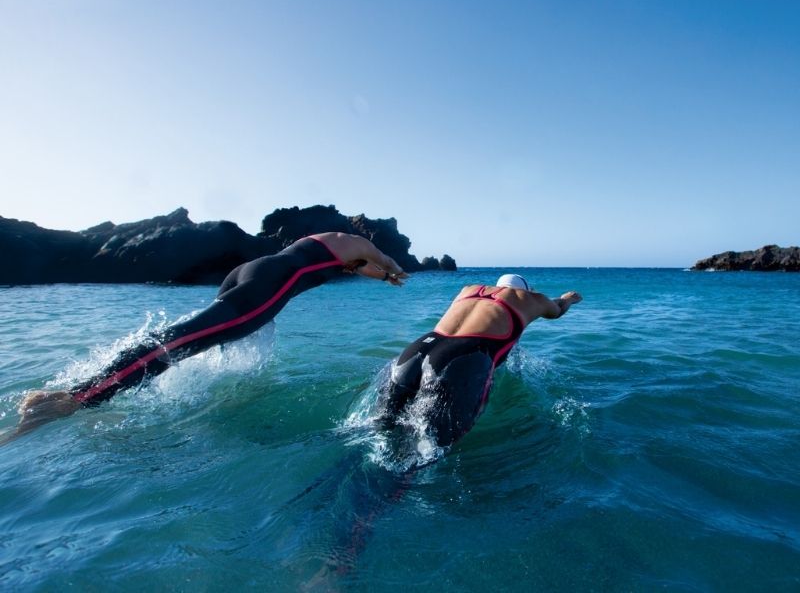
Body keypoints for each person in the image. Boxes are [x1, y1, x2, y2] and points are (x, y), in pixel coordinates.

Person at [13, 233, 409, 438]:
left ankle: (90, 388)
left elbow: (357, 266)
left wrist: (367, 269)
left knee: (187, 339)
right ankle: (72, 399)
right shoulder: (361, 245)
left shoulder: (329, 244)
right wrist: (394, 273)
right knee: (179, 342)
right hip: (269, 283)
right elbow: (383, 262)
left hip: (251, 271)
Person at [378, 273, 582, 447]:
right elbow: (558, 309)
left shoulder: (469, 289)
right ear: (526, 289)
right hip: (463, 356)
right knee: (430, 446)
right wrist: (568, 298)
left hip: (421, 347)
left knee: (381, 425)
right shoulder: (531, 298)